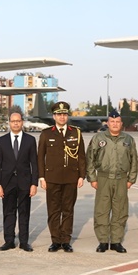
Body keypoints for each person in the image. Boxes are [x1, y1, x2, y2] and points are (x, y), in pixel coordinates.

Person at [85, 109, 137, 254]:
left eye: (117, 122)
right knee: (102, 210)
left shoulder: (128, 139)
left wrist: (131, 179)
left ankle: (116, 241)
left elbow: (134, 161)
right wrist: (92, 178)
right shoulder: (98, 138)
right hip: (103, 178)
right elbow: (90, 158)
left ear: (121, 124)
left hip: (121, 179)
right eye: (112, 122)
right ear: (107, 123)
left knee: (120, 211)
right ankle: (102, 241)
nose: (115, 124)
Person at [37, 101, 86, 253]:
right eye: (59, 114)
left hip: (71, 178)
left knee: (68, 210)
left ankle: (66, 240)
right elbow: (40, 157)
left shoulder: (75, 133)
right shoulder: (46, 134)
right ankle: (55, 240)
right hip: (52, 178)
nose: (62, 117)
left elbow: (81, 156)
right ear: (54, 116)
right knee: (53, 210)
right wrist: (42, 177)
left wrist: (81, 176)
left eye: (64, 114)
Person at [0, 111, 38, 252]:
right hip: (7, 183)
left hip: (25, 182)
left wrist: (34, 184)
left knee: (24, 213)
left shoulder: (30, 140)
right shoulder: (2, 141)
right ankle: (9, 241)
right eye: (13, 121)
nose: (16, 123)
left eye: (18, 121)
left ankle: (24, 242)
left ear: (22, 122)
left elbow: (34, 164)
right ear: (9, 123)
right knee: (8, 213)